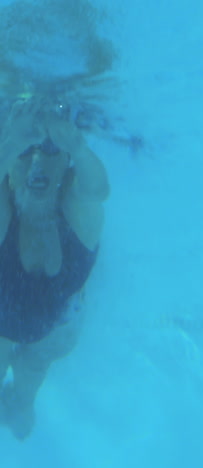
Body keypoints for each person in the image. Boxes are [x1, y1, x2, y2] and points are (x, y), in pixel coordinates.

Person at [0, 97, 109, 439]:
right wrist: (14, 141)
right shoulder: (6, 212)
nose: (35, 161)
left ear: (65, 168)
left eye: (48, 152)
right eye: (25, 154)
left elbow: (97, 191)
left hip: (56, 327)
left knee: (36, 363)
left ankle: (24, 404)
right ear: (10, 175)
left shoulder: (76, 211)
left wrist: (77, 146)